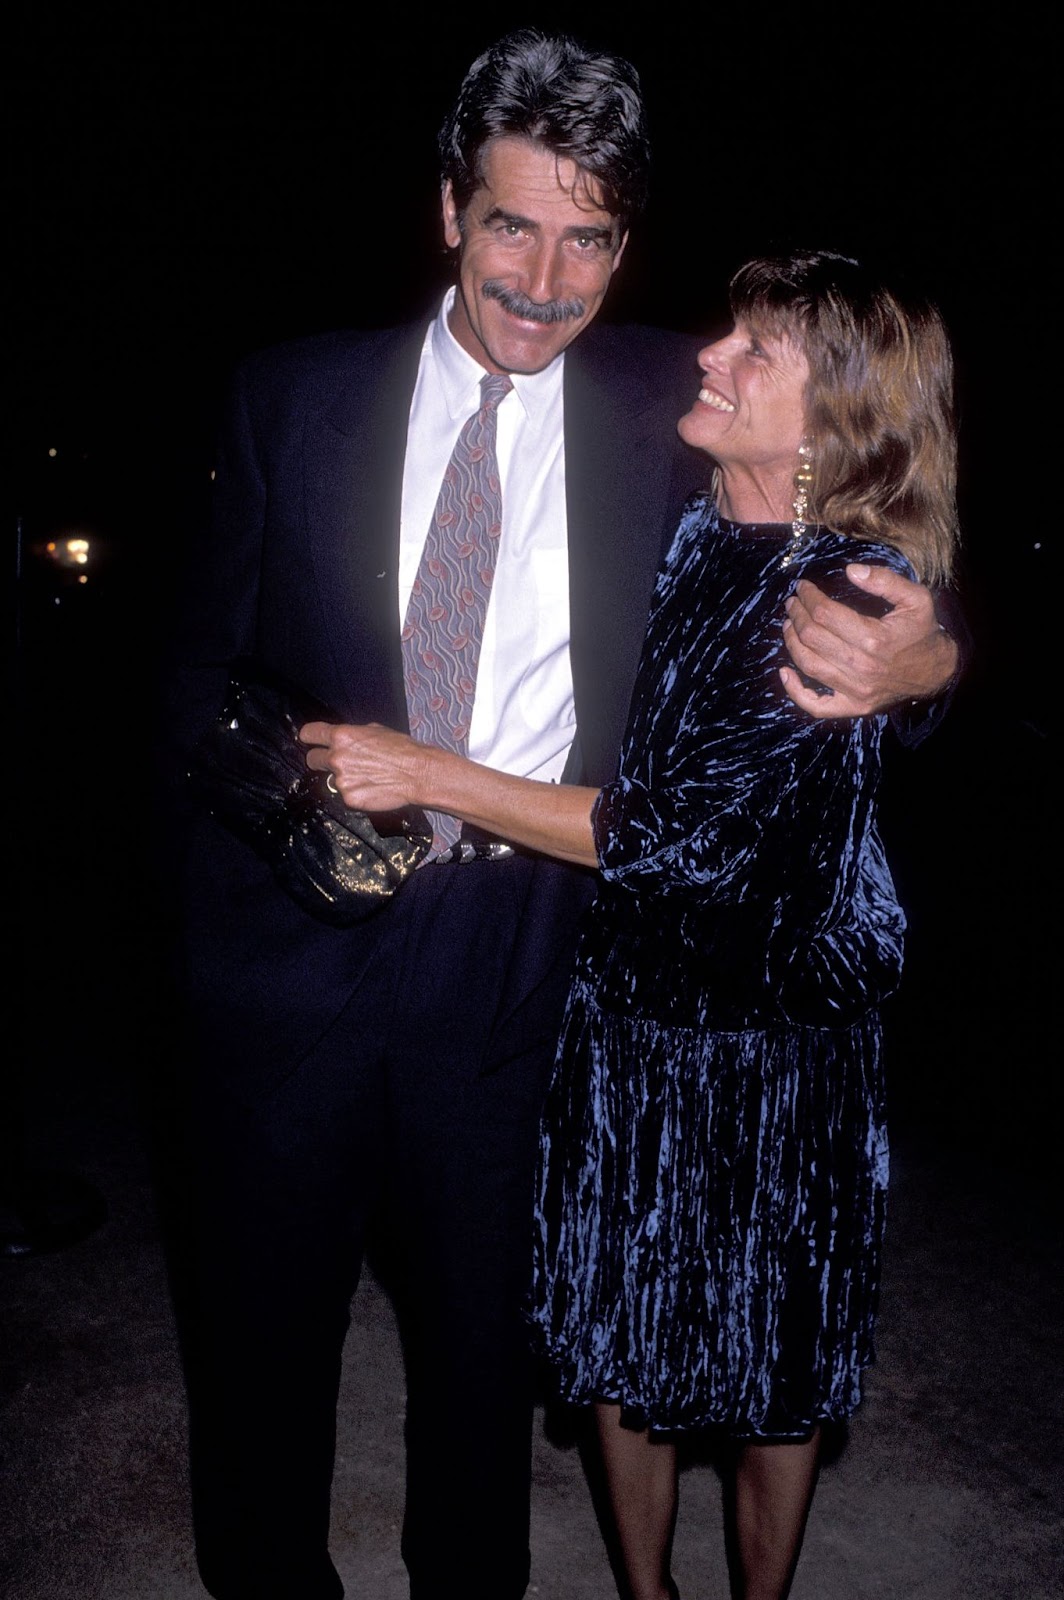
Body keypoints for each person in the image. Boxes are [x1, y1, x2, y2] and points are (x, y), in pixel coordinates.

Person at [170, 29, 959, 1600]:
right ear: (448, 211)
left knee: (487, 1338)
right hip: (290, 945)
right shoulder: (291, 396)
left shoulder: (682, 402)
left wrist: (928, 655)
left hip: (530, 951)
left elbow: (860, 538)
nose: (545, 275)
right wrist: (215, 911)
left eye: (588, 234)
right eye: (513, 224)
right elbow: (192, 672)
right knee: (263, 1329)